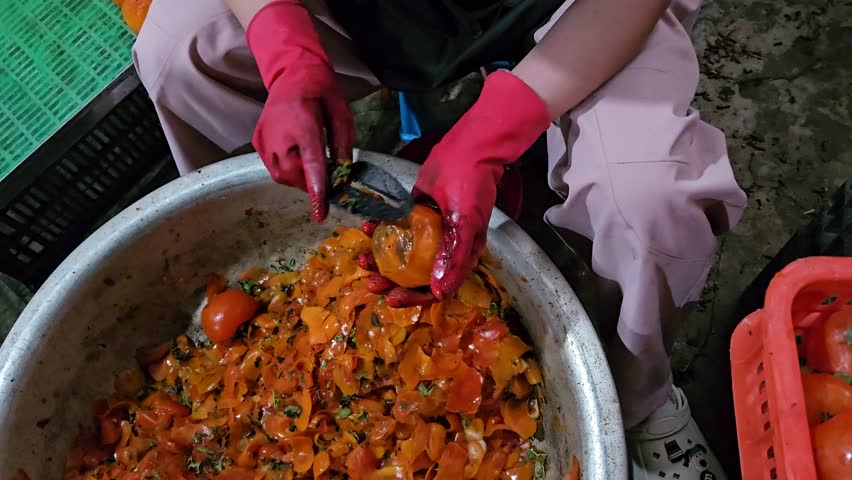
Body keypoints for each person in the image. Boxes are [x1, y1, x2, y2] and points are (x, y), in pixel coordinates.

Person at [132, 0, 747, 478]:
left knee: (650, 198)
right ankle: (264, 231)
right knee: (177, 52)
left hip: (586, 16)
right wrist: (287, 50)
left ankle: (638, 402)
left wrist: (496, 128)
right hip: (382, 13)